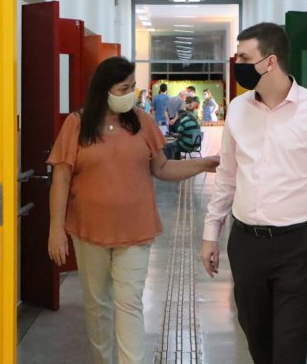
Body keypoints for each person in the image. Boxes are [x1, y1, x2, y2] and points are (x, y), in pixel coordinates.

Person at [200, 22, 307, 364]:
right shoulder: (238, 109)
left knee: (289, 345)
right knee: (257, 338)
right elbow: (227, 176)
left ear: (270, 61)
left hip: (297, 245)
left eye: (245, 57)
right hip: (246, 243)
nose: (238, 64)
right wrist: (210, 233)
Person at [47, 57, 219, 364]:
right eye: (123, 88)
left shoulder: (142, 121)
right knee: (97, 305)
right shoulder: (77, 124)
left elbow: (162, 168)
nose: (130, 93)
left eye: (132, 87)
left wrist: (204, 164)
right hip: (88, 230)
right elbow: (61, 178)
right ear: (104, 90)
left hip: (136, 229)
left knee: (129, 303)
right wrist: (55, 229)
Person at [163, 96, 201, 160]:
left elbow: (179, 135)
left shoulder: (183, 121)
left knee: (168, 145)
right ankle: (178, 159)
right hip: (196, 145)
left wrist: (172, 134)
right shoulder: (195, 120)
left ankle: (172, 162)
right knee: (176, 143)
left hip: (188, 145)